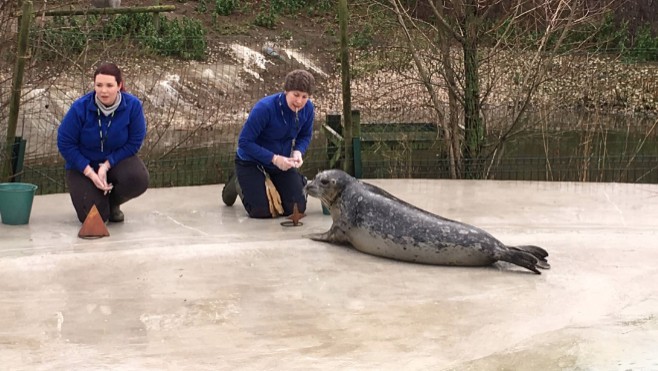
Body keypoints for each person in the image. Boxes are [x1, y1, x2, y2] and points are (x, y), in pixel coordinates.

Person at [57, 62, 149, 223]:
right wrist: (90, 172)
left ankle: (112, 204)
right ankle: (99, 205)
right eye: (99, 85)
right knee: (93, 218)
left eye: (109, 85)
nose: (103, 90)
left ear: (119, 85)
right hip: (83, 166)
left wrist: (107, 165)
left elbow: (134, 142)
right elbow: (65, 143)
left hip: (115, 162)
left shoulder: (133, 106)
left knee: (137, 179)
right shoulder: (80, 108)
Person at [222, 69, 315, 218]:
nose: (299, 101)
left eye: (304, 97)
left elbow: (305, 135)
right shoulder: (265, 108)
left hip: (282, 162)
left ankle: (287, 182)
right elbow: (244, 142)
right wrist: (274, 158)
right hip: (251, 161)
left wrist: (298, 151)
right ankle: (237, 180)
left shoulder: (308, 109)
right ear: (286, 91)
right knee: (261, 211)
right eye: (296, 95)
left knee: (297, 208)